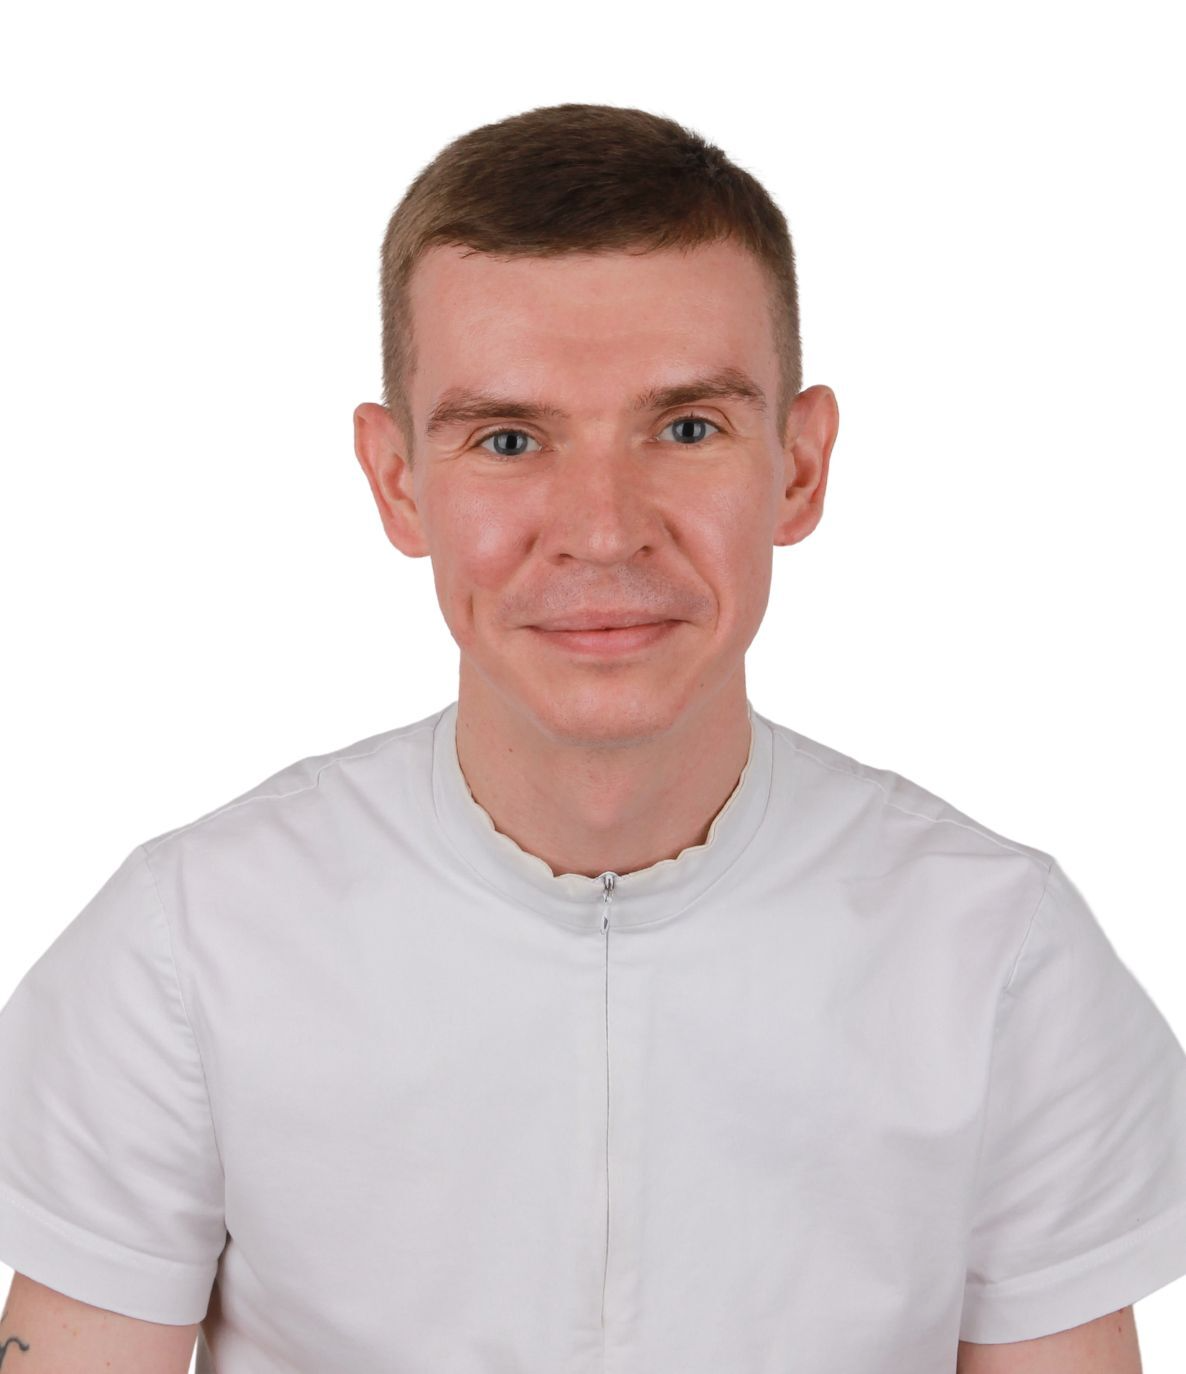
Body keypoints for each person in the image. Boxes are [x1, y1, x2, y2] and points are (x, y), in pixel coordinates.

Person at [0, 102, 1182, 1374]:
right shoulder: (187, 947)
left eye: (686, 429)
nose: (603, 529)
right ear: (398, 482)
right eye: (508, 440)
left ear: (798, 464)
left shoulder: (999, 956)